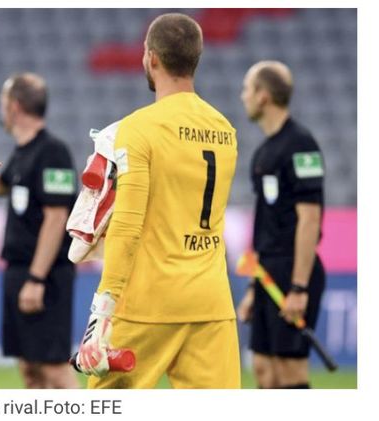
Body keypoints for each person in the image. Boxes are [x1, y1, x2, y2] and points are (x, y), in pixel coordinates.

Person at [75, 13, 241, 389]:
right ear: (196, 59)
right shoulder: (225, 129)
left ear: (150, 57)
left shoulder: (137, 128)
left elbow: (128, 224)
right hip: (210, 303)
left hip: (148, 303)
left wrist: (103, 305)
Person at [0, 72, 79, 389]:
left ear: (14, 107)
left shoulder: (53, 152)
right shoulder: (24, 152)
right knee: (29, 369)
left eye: (3, 103)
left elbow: (56, 217)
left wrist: (36, 279)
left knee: (53, 369)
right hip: (18, 271)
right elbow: (3, 185)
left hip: (45, 276)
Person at [237, 61, 326, 389]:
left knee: (289, 373)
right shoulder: (263, 151)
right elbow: (264, 224)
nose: (242, 95)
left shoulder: (301, 145)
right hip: (267, 273)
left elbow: (310, 219)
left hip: (294, 271)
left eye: (247, 88)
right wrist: (251, 287)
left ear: (263, 96)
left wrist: (299, 288)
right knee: (263, 369)